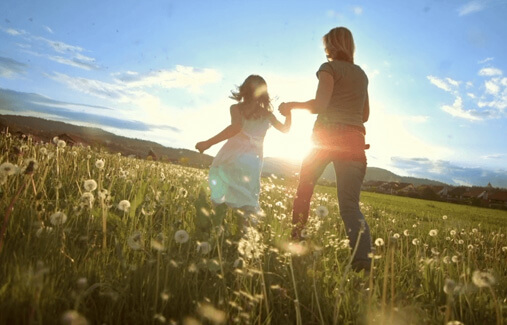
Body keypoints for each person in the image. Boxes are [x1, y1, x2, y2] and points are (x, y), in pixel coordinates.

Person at [278, 27, 372, 271]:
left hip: (325, 137)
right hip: (354, 140)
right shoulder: (361, 74)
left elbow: (320, 105)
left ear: (331, 46)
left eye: (327, 45)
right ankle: (362, 262)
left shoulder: (328, 68)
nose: (325, 50)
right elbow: (365, 114)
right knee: (350, 206)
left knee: (304, 190)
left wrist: (291, 105)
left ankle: (297, 241)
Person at [196, 75, 291, 224]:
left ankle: (217, 223)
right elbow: (285, 129)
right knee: (248, 193)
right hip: (253, 161)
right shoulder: (267, 114)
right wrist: (289, 113)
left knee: (222, 185)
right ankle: (246, 231)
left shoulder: (236, 108)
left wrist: (208, 143)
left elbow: (235, 128)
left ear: (243, 90)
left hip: (233, 155)